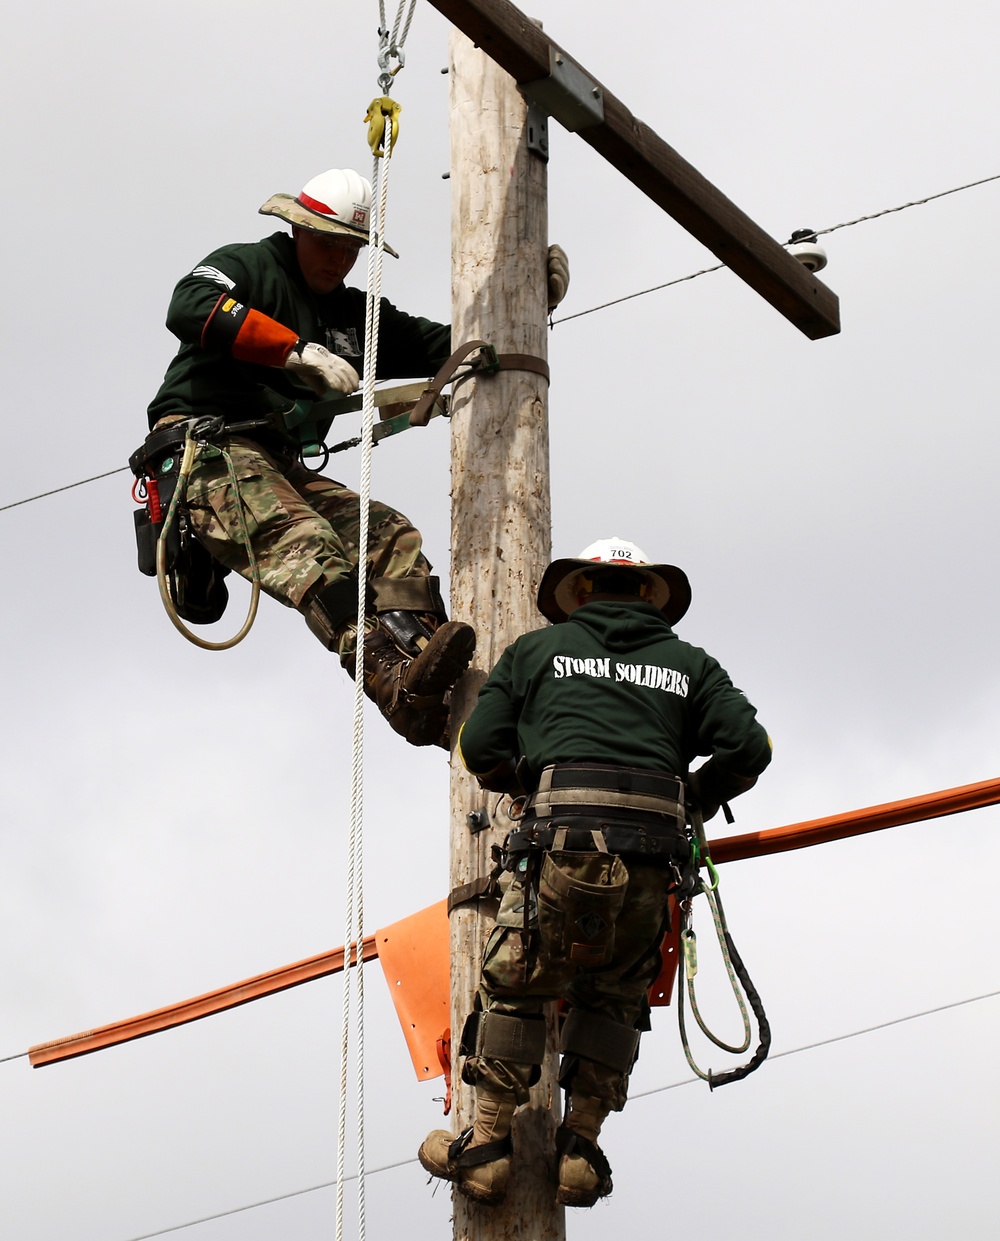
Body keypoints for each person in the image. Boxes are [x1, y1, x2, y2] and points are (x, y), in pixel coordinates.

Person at [145, 168, 566, 748]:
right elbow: (188, 306)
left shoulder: (355, 316)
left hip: (278, 462)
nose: (339, 259)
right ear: (297, 229)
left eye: (351, 248)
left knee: (392, 537)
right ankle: (383, 673)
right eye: (327, 241)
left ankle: (424, 676)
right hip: (209, 450)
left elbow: (453, 344)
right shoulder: (250, 267)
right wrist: (291, 352)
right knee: (309, 545)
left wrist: (527, 300)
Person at [418, 537, 772, 1205]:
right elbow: (750, 748)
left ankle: (488, 1146)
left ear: (579, 594)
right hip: (647, 867)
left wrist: (524, 778)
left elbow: (479, 745)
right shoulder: (689, 666)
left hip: (556, 851)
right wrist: (694, 795)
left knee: (516, 983)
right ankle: (579, 1146)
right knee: (613, 995)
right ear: (648, 597)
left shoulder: (536, 652)